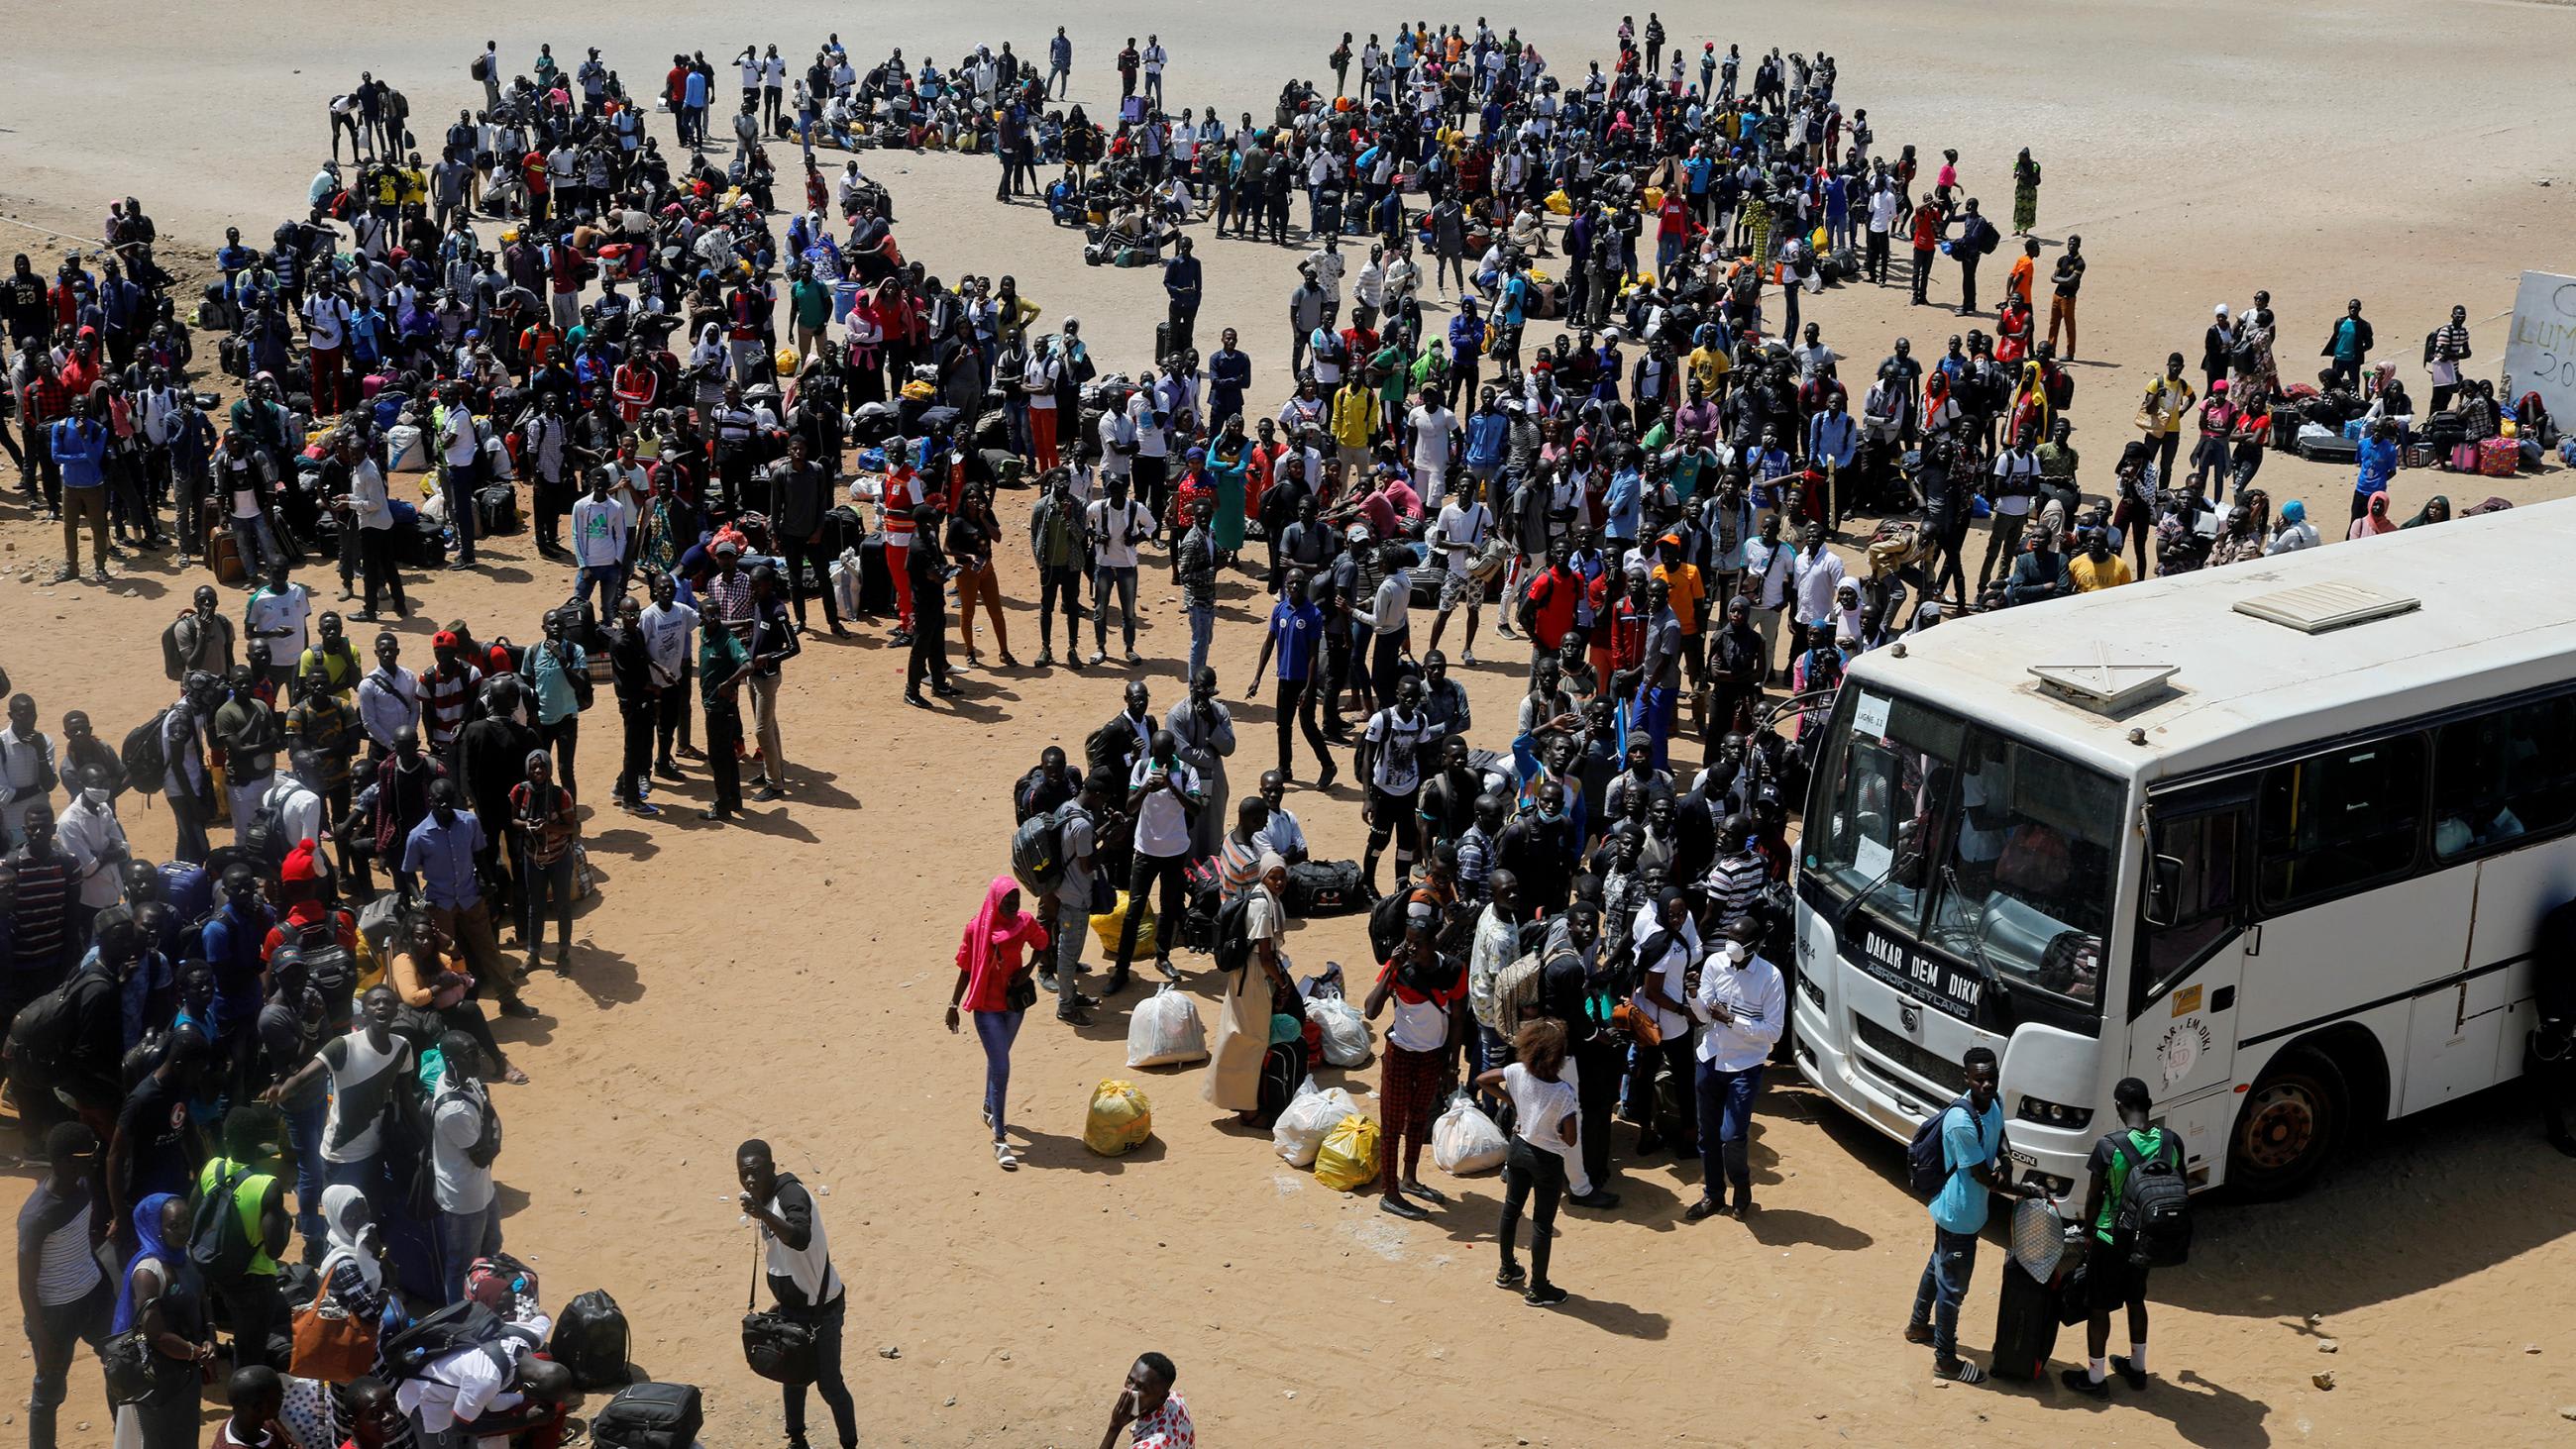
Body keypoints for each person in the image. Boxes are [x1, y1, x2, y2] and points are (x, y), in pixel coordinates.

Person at [1905, 1044, 2045, 1382]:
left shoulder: (1993, 1101)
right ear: (1966, 1078)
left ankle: (1918, 1326)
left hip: (1962, 1209)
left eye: (1991, 1078)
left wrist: (2009, 1160)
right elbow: (1984, 1177)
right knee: (1952, 1290)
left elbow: (2001, 1136)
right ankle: (1946, 1360)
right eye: (1979, 1079)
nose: (1986, 1085)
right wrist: (2027, 1191)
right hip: (1959, 1215)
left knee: (1937, 1264)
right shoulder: (1960, 1123)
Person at [739, 1138, 858, 1449]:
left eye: (757, 1172)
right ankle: (797, 1440)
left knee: (830, 1387)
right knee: (791, 1377)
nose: (750, 1179)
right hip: (792, 1307)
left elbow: (801, 1238)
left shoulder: (791, 1194)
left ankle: (850, 1444)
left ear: (772, 1169)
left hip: (823, 1311)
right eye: (744, 1174)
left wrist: (763, 1215)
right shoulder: (763, 1199)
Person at [2061, 1076, 2172, 1397]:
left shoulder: (2109, 1146)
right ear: (2149, 1105)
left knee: (2098, 1307)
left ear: (2118, 1107)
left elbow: (2094, 1199)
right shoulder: (2169, 1142)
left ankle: (2096, 1380)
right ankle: (2137, 1369)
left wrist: (2087, 1235)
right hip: (2145, 1240)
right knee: (2136, 1300)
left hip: (2110, 1239)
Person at [1365, 908, 1469, 1220]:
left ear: (1432, 944)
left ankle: (1409, 1178)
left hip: (1433, 1057)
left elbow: (1459, 1019)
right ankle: (1390, 1192)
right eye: (1407, 941)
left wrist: (1452, 1067)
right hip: (1400, 1053)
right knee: (1393, 1123)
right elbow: (1371, 1010)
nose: (1410, 948)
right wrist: (1391, 970)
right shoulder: (1399, 968)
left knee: (1419, 1119)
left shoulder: (1453, 970)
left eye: (1418, 943)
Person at [1683, 919, 1786, 1221]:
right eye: (1729, 937)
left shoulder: (1771, 978)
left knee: (1732, 1135)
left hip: (1744, 1066)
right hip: (1711, 1058)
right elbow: (1703, 1016)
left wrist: (1732, 1020)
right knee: (1708, 1135)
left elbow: (1774, 1033)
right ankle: (1713, 1194)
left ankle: (1741, 1186)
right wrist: (1693, 994)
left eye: (1738, 941)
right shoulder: (1715, 963)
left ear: (1755, 945)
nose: (1731, 945)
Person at [1472, 1018, 1580, 1307]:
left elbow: (1482, 1080)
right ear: (1558, 1056)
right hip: (1547, 1160)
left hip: (1518, 1149)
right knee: (1542, 1225)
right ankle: (1539, 1287)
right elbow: (1570, 1140)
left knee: (1511, 1211)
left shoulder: (1517, 1072)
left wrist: (1512, 1101)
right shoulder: (1563, 1092)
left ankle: (1507, 1269)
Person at [19, 1121, 112, 1449]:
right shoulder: (38, 1216)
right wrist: (43, 1340)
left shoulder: (83, 1184)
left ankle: (126, 1437)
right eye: (89, 1155)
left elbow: (81, 1238)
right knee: (49, 1390)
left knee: (119, 1360)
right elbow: (26, 1284)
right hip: (56, 1314)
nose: (95, 1159)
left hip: (94, 1295)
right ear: (64, 1161)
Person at [946, 875, 1047, 1171]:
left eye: (1016, 901)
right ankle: (1000, 1139)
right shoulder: (976, 930)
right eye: (1008, 902)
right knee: (1002, 1065)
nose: (1014, 906)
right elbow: (966, 970)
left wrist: (1028, 969)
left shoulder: (1024, 922)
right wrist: (953, 1004)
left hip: (1014, 1006)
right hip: (987, 1008)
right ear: (995, 901)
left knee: (998, 1057)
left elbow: (1041, 942)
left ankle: (989, 1107)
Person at [109, 1192, 214, 1449]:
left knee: (185, 1436)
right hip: (155, 1380)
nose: (182, 1231)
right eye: (173, 1226)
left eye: (186, 1223)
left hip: (185, 1371)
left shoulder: (183, 1254)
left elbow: (202, 1297)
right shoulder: (149, 1272)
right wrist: (196, 1352)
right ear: (155, 1228)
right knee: (157, 1439)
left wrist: (210, 1335)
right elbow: (156, 1335)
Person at [1204, 852, 1295, 1126]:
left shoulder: (1264, 898)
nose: (1279, 882)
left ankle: (1243, 1099)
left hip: (1249, 976)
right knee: (1250, 1041)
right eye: (1273, 877)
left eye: (1282, 877)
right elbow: (1265, 957)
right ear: (1262, 877)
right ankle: (1248, 1111)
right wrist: (1283, 984)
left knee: (1241, 1036)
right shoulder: (1263, 907)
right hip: (1254, 978)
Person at [1115, 729, 1203, 991]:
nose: (1162, 762)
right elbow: (1130, 806)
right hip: (1144, 850)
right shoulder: (1142, 768)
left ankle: (1162, 957)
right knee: (1134, 910)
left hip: (1175, 852)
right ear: (1152, 752)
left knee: (1169, 907)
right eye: (1158, 756)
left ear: (1173, 751)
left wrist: (1172, 787)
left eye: (1166, 757)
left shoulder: (1187, 771)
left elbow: (1197, 808)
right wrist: (1146, 788)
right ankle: (1121, 969)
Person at [429, 1030, 504, 1304]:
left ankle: (486, 1302)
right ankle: (458, 1318)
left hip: (482, 1187)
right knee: (462, 1266)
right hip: (464, 1199)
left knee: (492, 1247)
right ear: (450, 1062)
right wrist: (494, 1131)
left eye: (477, 1051)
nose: (478, 1058)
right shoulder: (454, 1111)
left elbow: (489, 1116)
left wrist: (490, 1127)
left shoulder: (467, 1080)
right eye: (470, 1055)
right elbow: (483, 1156)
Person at [1098, 1352, 1193, 1449]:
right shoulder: (1176, 1399)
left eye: (1141, 1388)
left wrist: (1114, 1428)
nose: (1130, 1390)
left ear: (1162, 1397)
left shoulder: (1152, 1445)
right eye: (1130, 1380)